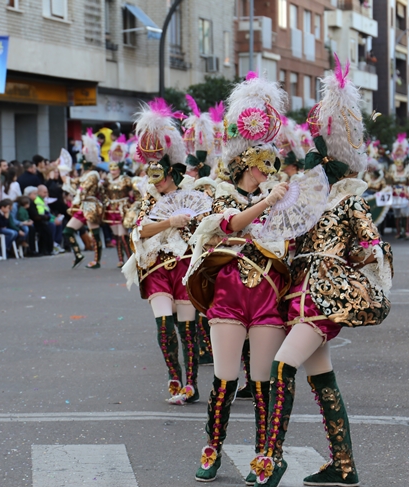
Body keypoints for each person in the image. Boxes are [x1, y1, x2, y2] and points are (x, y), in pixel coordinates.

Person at [250, 58, 393, 487]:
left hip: (324, 296)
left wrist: (363, 255)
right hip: (298, 294)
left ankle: (271, 459)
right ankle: (344, 466)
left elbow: (373, 246)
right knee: (322, 376)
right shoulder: (302, 205)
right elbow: (283, 240)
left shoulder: (350, 202)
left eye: (317, 166)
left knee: (281, 367)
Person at [184, 72, 291, 482]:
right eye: (263, 162)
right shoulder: (216, 191)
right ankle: (212, 449)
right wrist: (267, 202)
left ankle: (265, 456)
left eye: (272, 161)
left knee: (262, 384)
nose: (270, 168)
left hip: (266, 298)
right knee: (226, 379)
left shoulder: (280, 200)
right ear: (246, 162)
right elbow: (228, 226)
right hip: (228, 297)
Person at [121, 98, 205, 406]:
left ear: (173, 168)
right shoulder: (149, 195)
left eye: (162, 171)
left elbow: (204, 229)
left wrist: (188, 222)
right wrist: (168, 220)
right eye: (153, 171)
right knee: (163, 324)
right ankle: (174, 375)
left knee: (188, 327)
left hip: (184, 265)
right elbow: (140, 230)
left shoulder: (193, 192)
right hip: (157, 265)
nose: (157, 176)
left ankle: (192, 383)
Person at [63, 130, 105, 268]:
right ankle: (78, 254)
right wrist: (63, 175)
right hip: (82, 206)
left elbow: (83, 189)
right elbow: (75, 184)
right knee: (68, 231)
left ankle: (97, 260)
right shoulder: (86, 174)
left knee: (94, 233)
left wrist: (74, 187)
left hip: (91, 205)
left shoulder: (93, 175)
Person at [101, 135, 133, 267]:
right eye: (111, 168)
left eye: (115, 168)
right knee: (116, 236)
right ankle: (121, 259)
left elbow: (132, 193)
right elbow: (103, 194)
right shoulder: (107, 180)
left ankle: (131, 260)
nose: (113, 170)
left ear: (120, 168)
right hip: (111, 208)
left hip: (122, 208)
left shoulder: (125, 179)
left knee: (122, 235)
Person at [387, 134, 409, 240]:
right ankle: (399, 231)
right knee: (397, 214)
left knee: (406, 212)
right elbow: (388, 182)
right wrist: (390, 191)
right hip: (395, 194)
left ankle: (407, 230)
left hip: (405, 193)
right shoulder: (391, 169)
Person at [24, 186, 54, 256]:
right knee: (44, 229)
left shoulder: (33, 202)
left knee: (47, 229)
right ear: (29, 194)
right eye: (34, 194)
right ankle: (37, 250)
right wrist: (44, 217)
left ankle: (46, 249)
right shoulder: (29, 203)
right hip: (33, 221)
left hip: (37, 220)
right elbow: (34, 215)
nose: (36, 195)